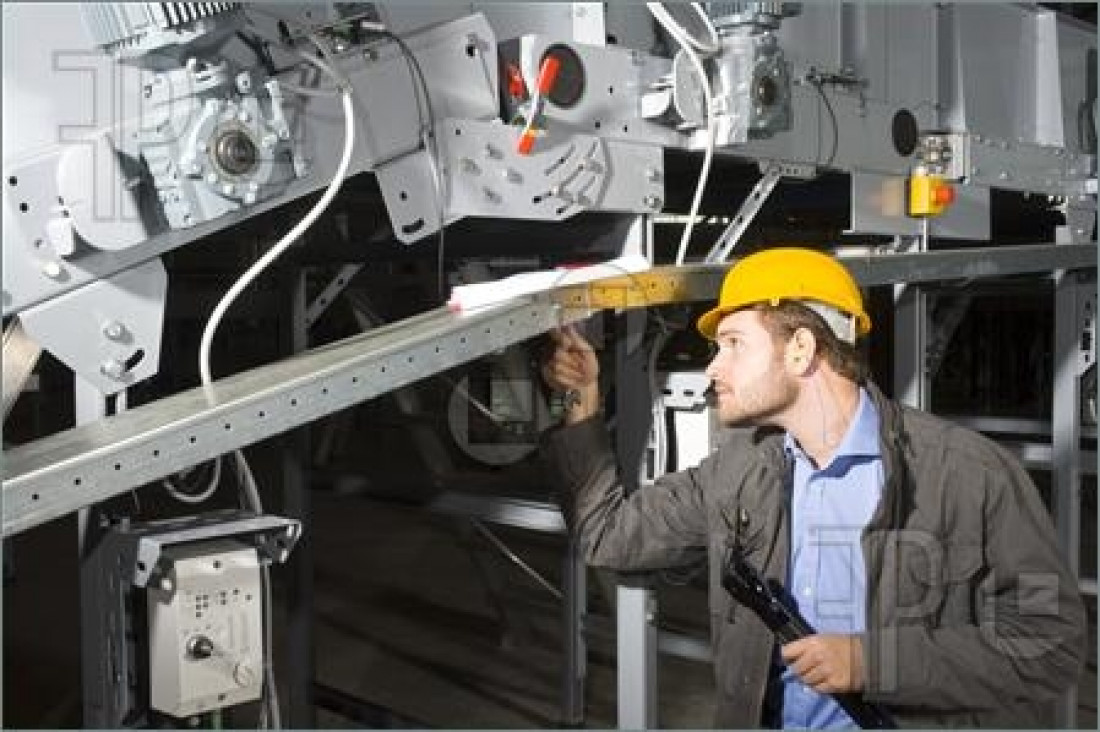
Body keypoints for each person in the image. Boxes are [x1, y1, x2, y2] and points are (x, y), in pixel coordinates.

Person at [540, 247, 1086, 729]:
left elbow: (1049, 637)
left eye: (733, 343)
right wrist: (583, 401)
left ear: (800, 349)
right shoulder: (739, 475)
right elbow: (608, 535)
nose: (712, 368)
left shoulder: (970, 475)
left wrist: (872, 663)